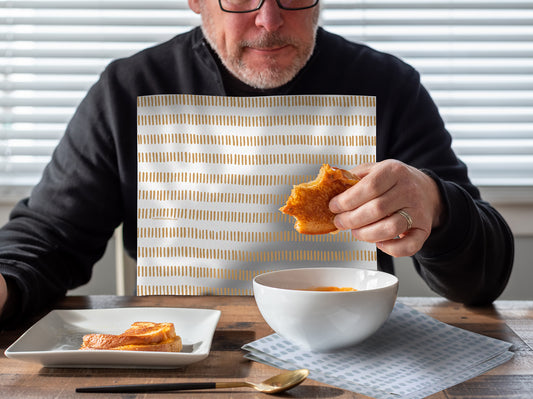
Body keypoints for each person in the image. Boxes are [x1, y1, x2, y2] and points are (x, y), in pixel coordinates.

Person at [0, 0, 514, 327]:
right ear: (197, 1)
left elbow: (484, 279)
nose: (269, 20)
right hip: (179, 356)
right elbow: (48, 237)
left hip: (342, 355)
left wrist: (438, 205)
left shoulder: (389, 87)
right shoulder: (128, 90)